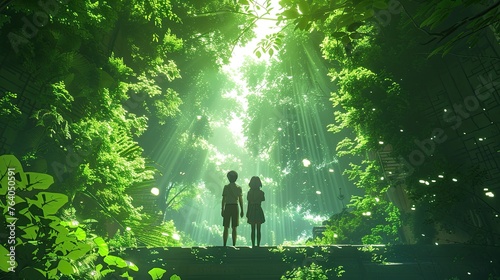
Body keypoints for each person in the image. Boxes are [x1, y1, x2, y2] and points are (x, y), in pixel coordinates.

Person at [221, 170, 244, 246]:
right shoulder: (238, 188)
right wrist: (242, 210)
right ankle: (234, 244)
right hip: (235, 207)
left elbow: (223, 199)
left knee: (226, 227)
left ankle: (224, 244)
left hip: (228, 206)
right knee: (234, 227)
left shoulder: (226, 187)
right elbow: (240, 200)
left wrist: (222, 209)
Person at [246, 176, 265, 247]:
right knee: (259, 229)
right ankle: (258, 245)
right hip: (258, 209)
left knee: (253, 229)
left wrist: (248, 212)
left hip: (251, 210)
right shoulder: (261, 193)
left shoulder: (249, 193)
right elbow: (262, 201)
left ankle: (253, 245)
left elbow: (249, 203)